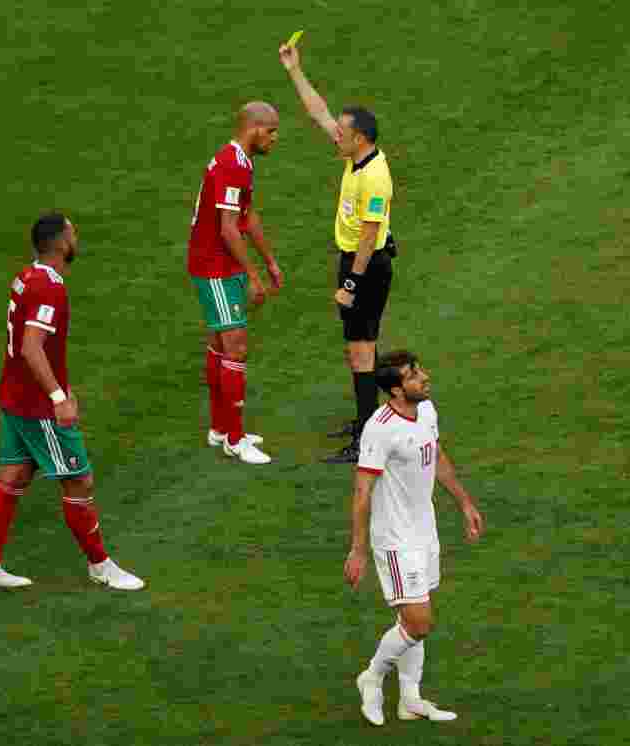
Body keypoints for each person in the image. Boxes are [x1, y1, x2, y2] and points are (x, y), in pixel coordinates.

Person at [0, 213, 144, 591]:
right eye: (73, 232)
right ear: (61, 243)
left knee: (13, 477)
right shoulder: (49, 287)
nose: (77, 236)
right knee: (78, 480)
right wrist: (58, 396)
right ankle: (100, 565)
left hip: (15, 396)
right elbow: (31, 345)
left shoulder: (26, 277)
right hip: (38, 407)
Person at [343, 351, 485, 727]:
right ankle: (371, 676)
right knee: (418, 622)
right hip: (395, 537)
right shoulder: (381, 427)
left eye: (419, 369)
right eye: (413, 375)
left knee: (413, 614)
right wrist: (358, 549)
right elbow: (362, 491)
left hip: (425, 529)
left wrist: (465, 502)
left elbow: (435, 455)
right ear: (395, 389)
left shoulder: (426, 411)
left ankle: (410, 699)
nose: (424, 377)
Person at [279, 42, 396, 463]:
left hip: (366, 266)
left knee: (362, 348)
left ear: (359, 138)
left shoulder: (375, 178)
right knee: (356, 346)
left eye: (342, 134)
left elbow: (369, 237)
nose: (335, 136)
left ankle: (368, 435)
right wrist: (295, 70)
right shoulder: (356, 157)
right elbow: (319, 111)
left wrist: (350, 283)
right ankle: (369, 418)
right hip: (355, 262)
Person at [189, 101, 284, 465]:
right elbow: (228, 228)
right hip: (214, 266)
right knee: (235, 345)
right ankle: (233, 437)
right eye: (271, 131)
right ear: (254, 128)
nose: (275, 138)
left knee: (220, 343)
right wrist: (255, 277)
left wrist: (270, 260)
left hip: (220, 262)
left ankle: (219, 428)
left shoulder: (240, 162)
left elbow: (247, 217)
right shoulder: (232, 165)